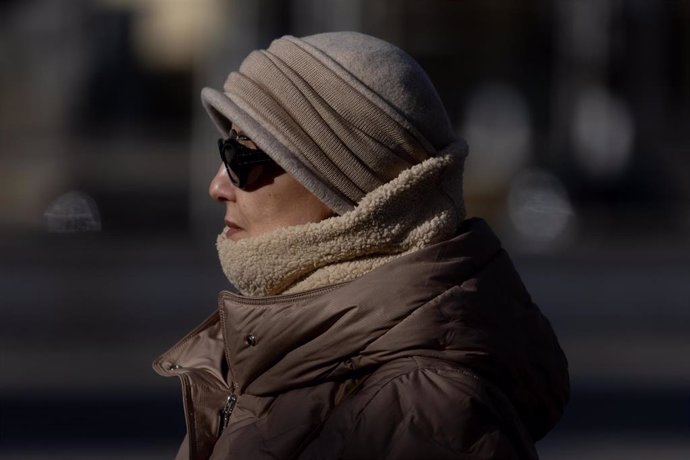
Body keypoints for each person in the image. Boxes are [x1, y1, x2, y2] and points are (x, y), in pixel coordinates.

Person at [153, 31, 569, 460]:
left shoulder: (427, 414)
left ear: (348, 190)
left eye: (243, 158)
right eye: (223, 152)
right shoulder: (284, 360)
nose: (217, 186)